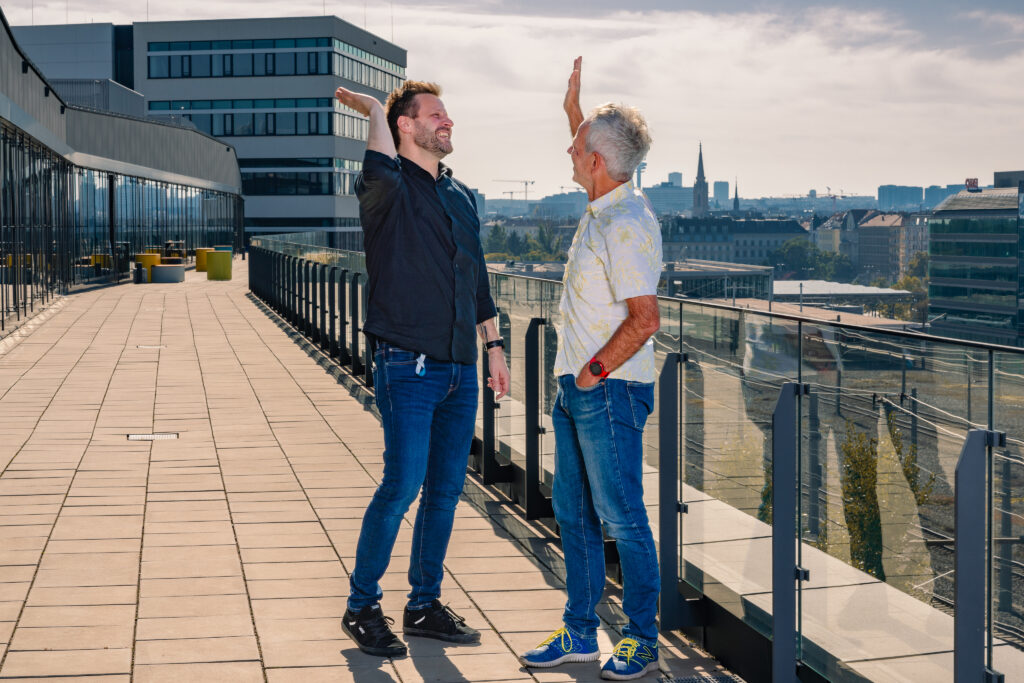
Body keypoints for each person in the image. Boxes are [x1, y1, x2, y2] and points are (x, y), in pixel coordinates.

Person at [334, 80, 511, 658]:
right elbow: (383, 153)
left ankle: (423, 606)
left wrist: (494, 345)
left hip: (462, 366)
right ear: (406, 126)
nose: (449, 121)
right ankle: (361, 607)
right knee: (402, 485)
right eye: (436, 115)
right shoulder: (385, 188)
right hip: (407, 364)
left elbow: (475, 276)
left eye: (448, 113)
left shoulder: (461, 196)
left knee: (445, 491)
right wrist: (373, 109)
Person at [519, 57, 663, 680]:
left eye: (576, 146)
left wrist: (592, 374)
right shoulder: (606, 203)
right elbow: (593, 142)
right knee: (574, 516)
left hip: (607, 391)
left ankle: (643, 640)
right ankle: (581, 633)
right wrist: (573, 106)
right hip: (579, 389)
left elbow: (645, 318)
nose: (569, 150)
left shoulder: (627, 225)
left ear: (598, 162)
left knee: (623, 518)